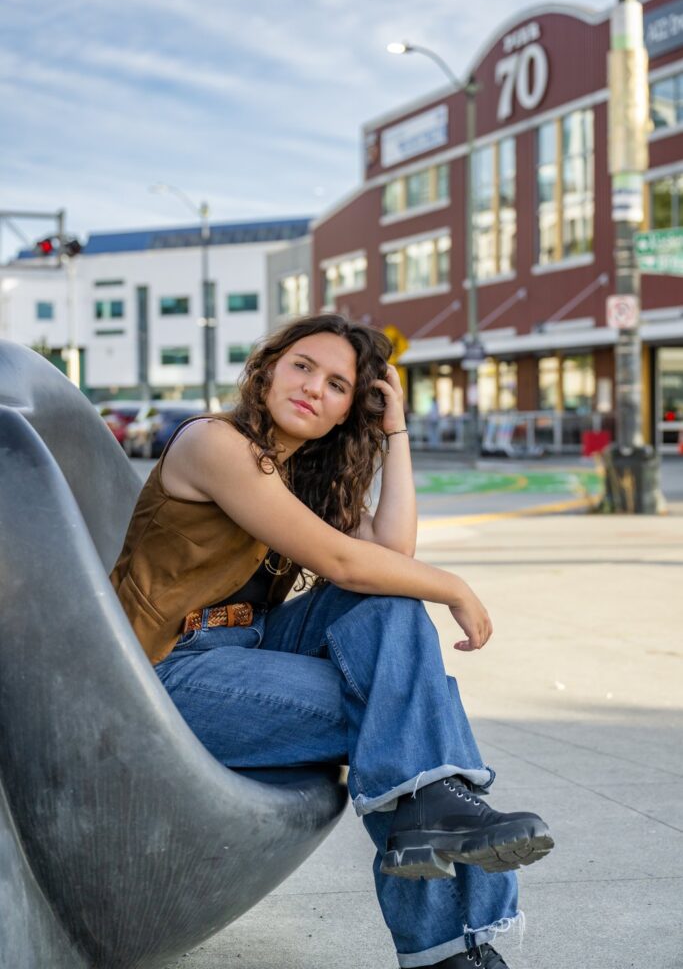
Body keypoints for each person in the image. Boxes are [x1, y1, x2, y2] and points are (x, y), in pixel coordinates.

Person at [111, 313, 553, 969]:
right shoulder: (213, 443)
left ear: (349, 410)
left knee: (391, 612)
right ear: (267, 370)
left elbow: (391, 555)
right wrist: (454, 586)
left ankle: (435, 841)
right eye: (302, 366)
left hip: (247, 650)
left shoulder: (303, 478)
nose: (314, 388)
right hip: (160, 674)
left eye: (338, 385)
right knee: (405, 720)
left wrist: (395, 432)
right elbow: (343, 562)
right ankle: (451, 950)